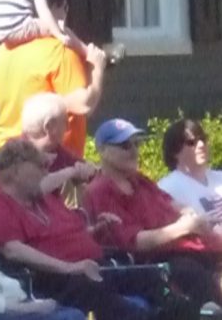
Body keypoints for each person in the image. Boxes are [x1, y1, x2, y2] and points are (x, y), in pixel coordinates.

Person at [0, 138, 192, 320]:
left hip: (92, 266)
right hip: (50, 278)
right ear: (16, 170)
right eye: (41, 166)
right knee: (90, 287)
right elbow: (12, 250)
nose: (45, 172)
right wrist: (68, 267)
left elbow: (64, 235)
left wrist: (94, 232)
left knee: (152, 275)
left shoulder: (42, 200)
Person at [84, 118, 221, 306]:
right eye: (125, 145)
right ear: (103, 151)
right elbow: (136, 242)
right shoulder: (100, 191)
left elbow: (169, 201)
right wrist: (183, 228)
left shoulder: (139, 180)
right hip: (155, 262)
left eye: (136, 144)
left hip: (190, 248)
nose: (134, 151)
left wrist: (188, 212)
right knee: (197, 277)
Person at [0, 0, 107, 158]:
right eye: (64, 7)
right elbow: (84, 105)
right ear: (49, 9)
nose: (66, 13)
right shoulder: (59, 50)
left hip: (7, 161)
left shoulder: (0, 54)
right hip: (52, 163)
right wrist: (98, 69)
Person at [18, 92, 97, 202]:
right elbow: (30, 192)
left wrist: (89, 170)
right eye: (65, 121)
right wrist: (69, 173)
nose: (68, 127)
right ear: (48, 126)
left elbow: (83, 168)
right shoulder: (13, 156)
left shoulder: (56, 150)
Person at [157, 119, 222, 228]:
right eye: (192, 142)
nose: (201, 145)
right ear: (175, 151)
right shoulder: (166, 189)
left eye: (203, 139)